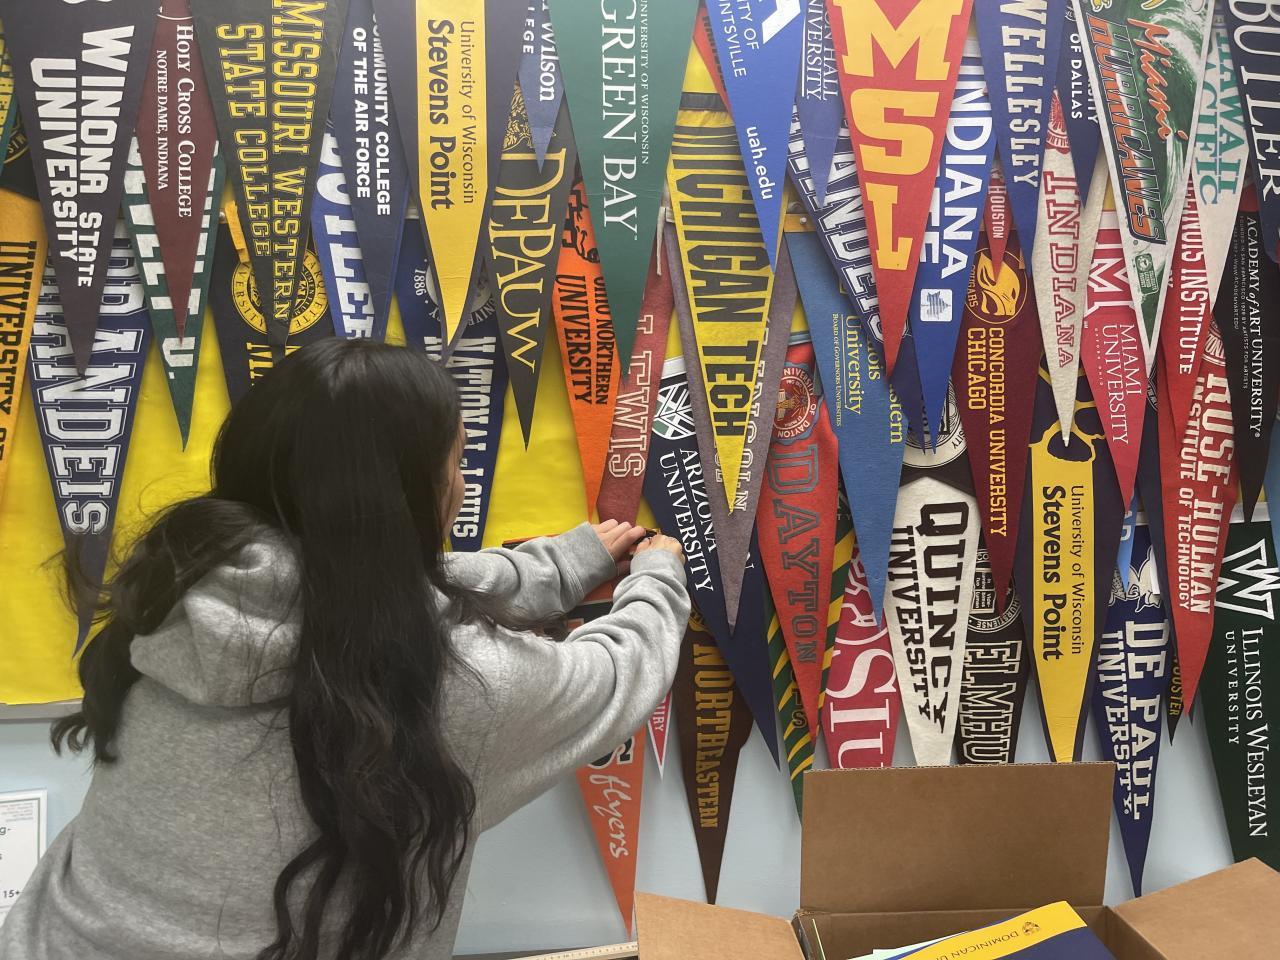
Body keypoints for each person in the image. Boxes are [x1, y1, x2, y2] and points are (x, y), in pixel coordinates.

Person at [0, 339, 688, 960]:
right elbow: (618, 671)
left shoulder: (177, 587)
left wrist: (563, 563)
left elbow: (369, 580)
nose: (461, 481)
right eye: (457, 460)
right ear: (412, 496)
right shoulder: (455, 689)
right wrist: (659, 574)